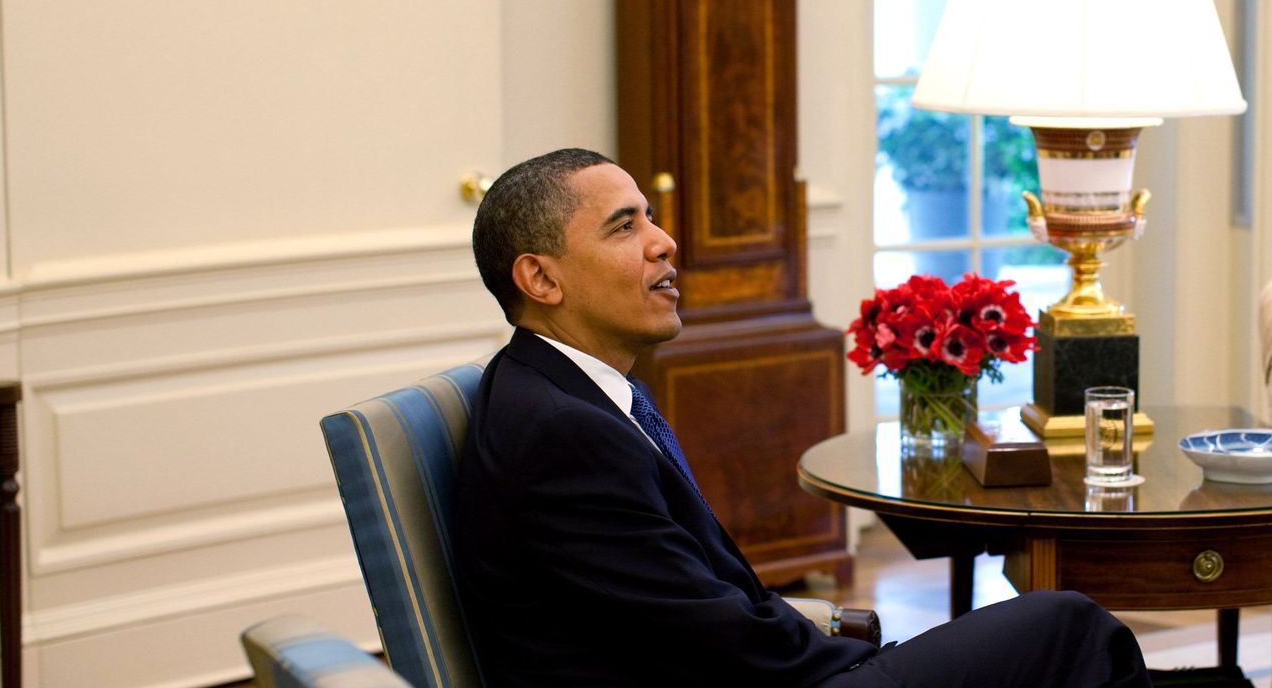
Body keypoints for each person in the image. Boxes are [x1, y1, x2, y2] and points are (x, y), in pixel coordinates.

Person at [454, 147, 1153, 687]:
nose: (663, 242)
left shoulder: (566, 392)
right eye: (624, 227)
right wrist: (852, 659)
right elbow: (708, 638)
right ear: (540, 279)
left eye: (651, 216)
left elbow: (691, 606)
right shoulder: (561, 433)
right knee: (1065, 625)